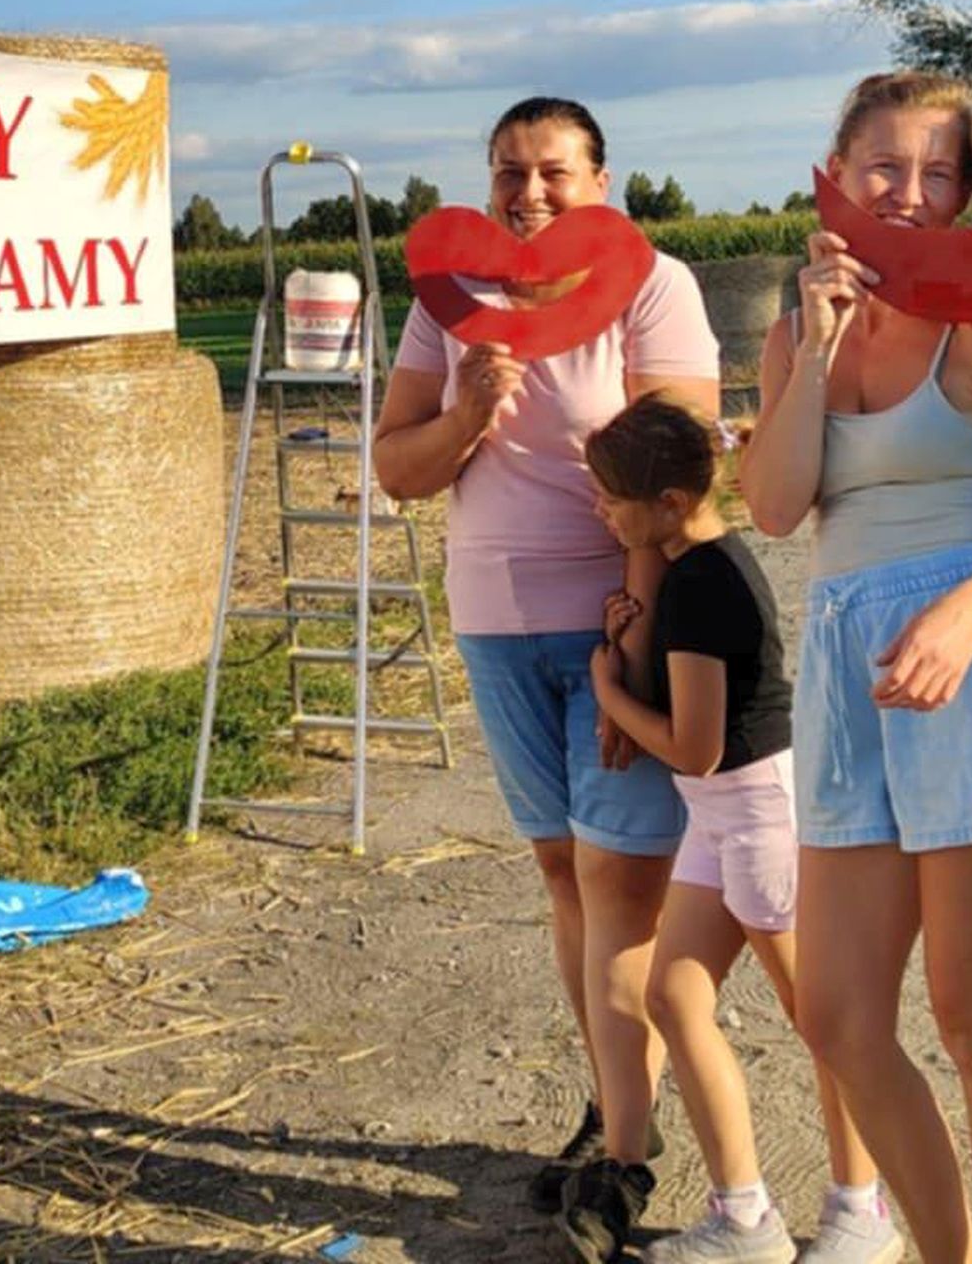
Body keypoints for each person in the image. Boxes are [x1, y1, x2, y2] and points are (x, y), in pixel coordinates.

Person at [736, 71, 972, 1264]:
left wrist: (963, 615)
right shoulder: (796, 333)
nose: (913, 192)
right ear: (834, 176)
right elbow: (774, 506)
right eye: (887, 165)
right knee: (838, 1015)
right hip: (850, 678)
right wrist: (817, 345)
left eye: (942, 171)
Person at [372, 96, 723, 1258]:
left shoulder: (653, 286)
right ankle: (617, 1096)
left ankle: (626, 1150)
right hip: (494, 620)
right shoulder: (450, 302)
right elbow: (399, 468)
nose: (529, 192)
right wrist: (469, 411)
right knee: (567, 873)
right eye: (507, 171)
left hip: (612, 621)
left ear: (601, 182)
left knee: (622, 885)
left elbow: (679, 472)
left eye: (553, 171)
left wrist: (634, 640)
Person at [582, 395, 899, 1264]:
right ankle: (745, 1218)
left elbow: (698, 746)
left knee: (824, 1018)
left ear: (671, 503)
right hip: (718, 814)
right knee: (675, 998)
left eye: (611, 498)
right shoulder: (690, 570)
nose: (600, 511)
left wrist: (606, 692)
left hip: (755, 809)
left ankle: (863, 1208)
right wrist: (624, 648)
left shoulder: (704, 585)